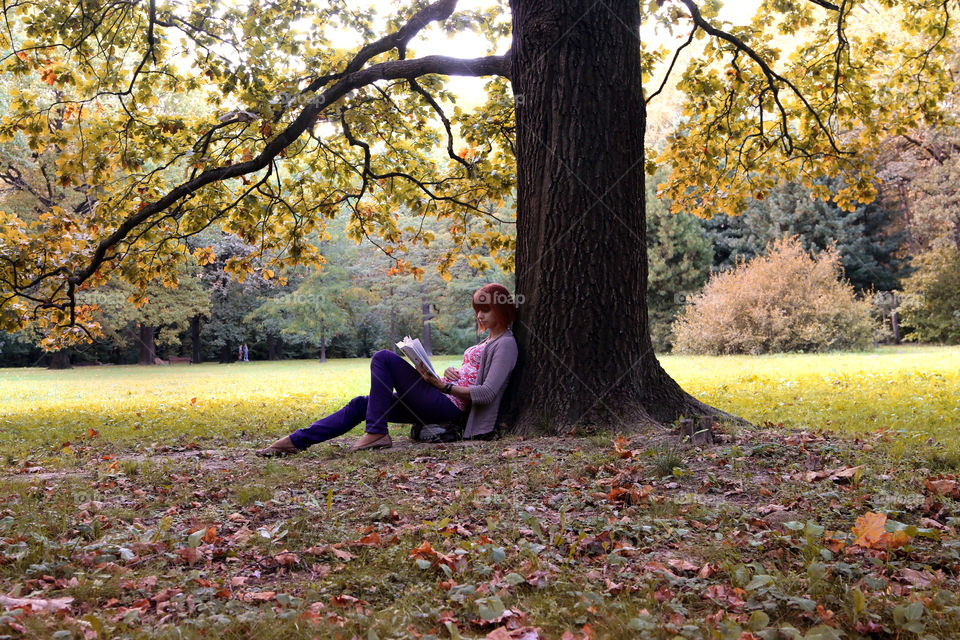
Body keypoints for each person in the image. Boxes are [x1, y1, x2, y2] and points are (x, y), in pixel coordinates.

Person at [256, 283, 518, 455]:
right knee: (361, 404)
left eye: (486, 310)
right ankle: (296, 441)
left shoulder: (506, 343)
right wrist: (452, 372)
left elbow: (487, 392)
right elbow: (474, 373)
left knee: (383, 358)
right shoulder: (487, 341)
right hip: (439, 396)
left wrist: (445, 386)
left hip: (449, 407)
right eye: (477, 310)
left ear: (502, 308)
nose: (479, 315)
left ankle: (377, 432)